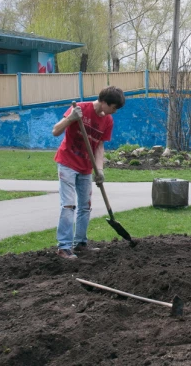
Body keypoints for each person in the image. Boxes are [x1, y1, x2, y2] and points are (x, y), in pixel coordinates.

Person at [51, 86, 125, 259]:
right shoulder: (80, 109)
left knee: (85, 206)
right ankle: (63, 247)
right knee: (69, 204)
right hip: (67, 162)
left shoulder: (107, 121)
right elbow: (56, 131)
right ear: (105, 102)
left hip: (86, 167)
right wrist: (71, 118)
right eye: (113, 108)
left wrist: (99, 170)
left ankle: (80, 243)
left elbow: (99, 146)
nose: (113, 112)